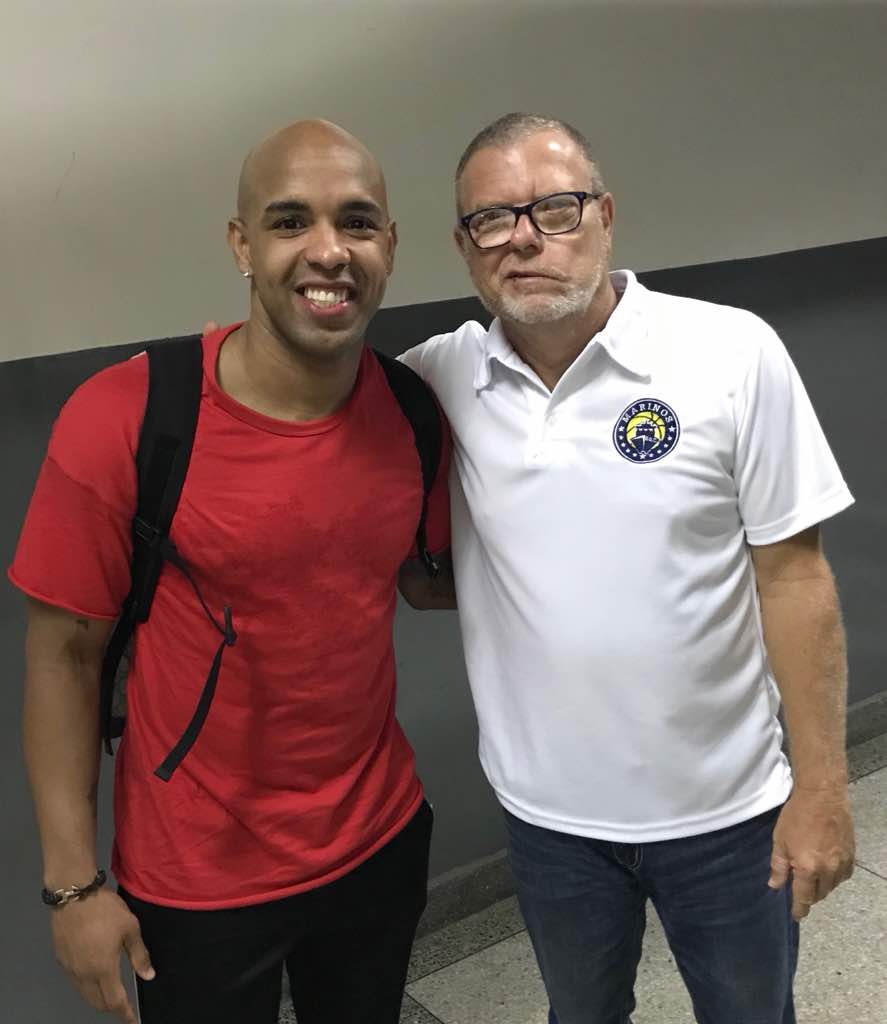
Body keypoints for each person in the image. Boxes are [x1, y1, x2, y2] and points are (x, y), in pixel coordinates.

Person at [399, 113, 856, 1024]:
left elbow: (795, 580)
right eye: (491, 219)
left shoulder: (729, 352)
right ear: (464, 247)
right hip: (549, 824)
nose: (523, 237)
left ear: (604, 217)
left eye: (555, 208)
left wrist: (820, 789)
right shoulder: (432, 383)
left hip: (727, 812)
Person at [10, 119, 453, 1024]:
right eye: (290, 221)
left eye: (356, 222)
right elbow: (63, 657)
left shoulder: (413, 412)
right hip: (197, 878)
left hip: (378, 839)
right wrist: (72, 886)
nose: (328, 251)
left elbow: (425, 579)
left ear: (390, 244)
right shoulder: (128, 417)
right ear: (241, 245)